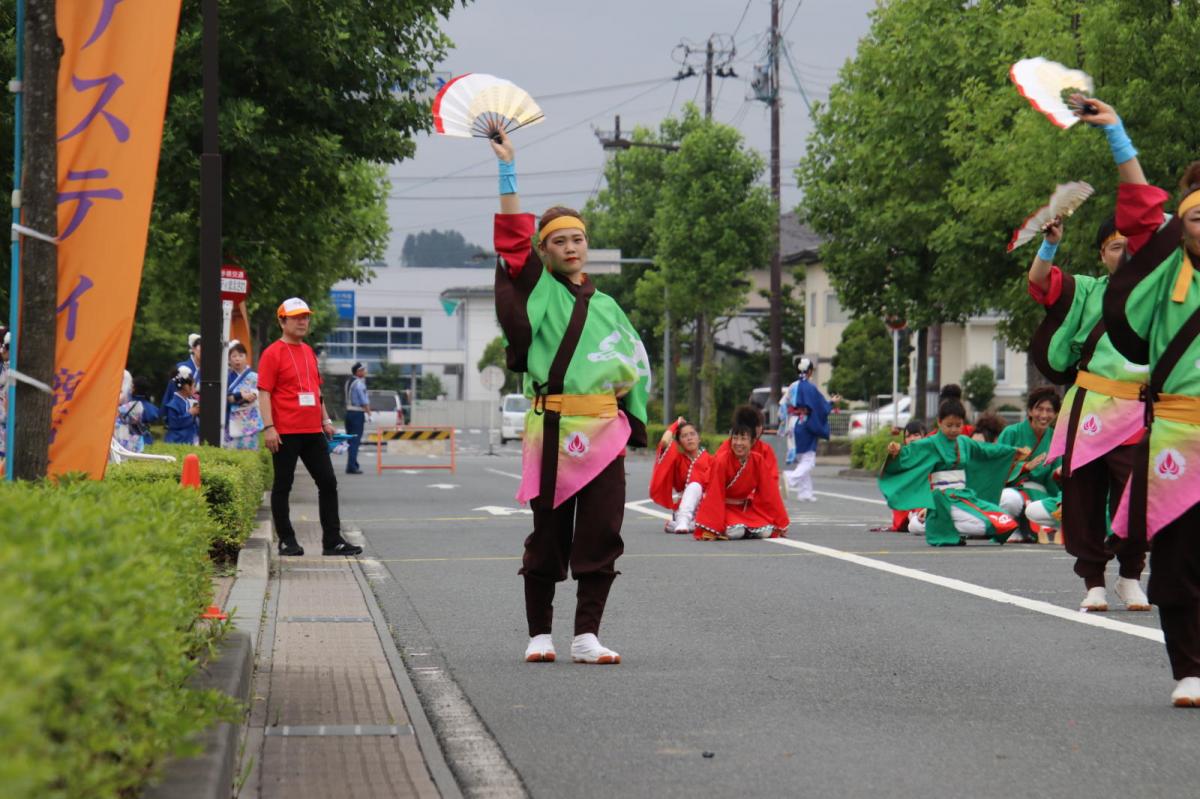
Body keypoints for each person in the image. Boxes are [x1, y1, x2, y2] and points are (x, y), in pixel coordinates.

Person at [490, 129, 651, 665]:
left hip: (604, 434)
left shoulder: (608, 305)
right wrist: (508, 171)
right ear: (543, 251)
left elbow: (635, 366)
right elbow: (512, 238)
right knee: (550, 533)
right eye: (558, 241)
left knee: (603, 531)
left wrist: (634, 417)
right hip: (553, 429)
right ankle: (540, 634)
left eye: (577, 239)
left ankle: (587, 634)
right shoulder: (539, 288)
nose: (570, 247)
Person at [1073, 92, 1200, 706]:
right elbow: (1144, 212)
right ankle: (1189, 670)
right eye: (1197, 217)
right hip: (1175, 434)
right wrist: (1117, 135)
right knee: (1174, 567)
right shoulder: (1163, 272)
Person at [1027, 212, 1151, 609]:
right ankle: (1094, 581)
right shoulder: (1085, 291)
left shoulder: (1166, 295)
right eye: (1117, 246)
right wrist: (1049, 244)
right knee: (1083, 499)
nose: (1126, 252)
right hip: (1090, 409)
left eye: (1134, 245)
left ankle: (1130, 575)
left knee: (1142, 497)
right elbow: (1040, 282)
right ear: (1102, 255)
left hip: (1140, 411)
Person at [258, 297, 363, 558]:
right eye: (296, 317)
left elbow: (316, 390)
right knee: (283, 486)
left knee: (328, 483)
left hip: (312, 430)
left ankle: (332, 541)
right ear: (282, 321)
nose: (302, 321)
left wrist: (325, 420)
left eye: (305, 316)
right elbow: (264, 393)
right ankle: (287, 540)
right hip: (284, 432)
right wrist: (269, 427)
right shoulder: (272, 353)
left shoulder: (308, 351)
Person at [879, 397, 1030, 547]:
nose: (953, 429)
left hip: (964, 496)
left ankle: (938, 525)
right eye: (949, 425)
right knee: (984, 525)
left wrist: (1012, 452)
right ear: (939, 422)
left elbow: (987, 451)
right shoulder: (931, 443)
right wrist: (897, 452)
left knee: (1004, 522)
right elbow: (912, 453)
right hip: (942, 498)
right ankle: (938, 525)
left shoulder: (964, 442)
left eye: (958, 425)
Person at [694, 405, 790, 541]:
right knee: (736, 533)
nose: (738, 443)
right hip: (724, 506)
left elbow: (769, 490)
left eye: (743, 439)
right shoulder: (724, 457)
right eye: (735, 438)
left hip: (747, 507)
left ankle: (746, 527)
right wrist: (711, 526)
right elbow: (714, 490)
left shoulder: (759, 457)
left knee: (766, 532)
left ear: (751, 440)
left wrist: (780, 521)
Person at [997, 387, 1063, 543]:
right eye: (1039, 409)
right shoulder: (1011, 432)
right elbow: (997, 467)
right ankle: (1011, 530)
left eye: (1049, 410)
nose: (1044, 415)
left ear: (1055, 414)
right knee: (1008, 499)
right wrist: (1023, 467)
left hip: (1042, 494)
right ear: (1030, 411)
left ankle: (1034, 530)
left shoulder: (1056, 438)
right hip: (1013, 490)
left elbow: (1058, 478)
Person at [783, 357, 835, 502]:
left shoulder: (793, 386)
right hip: (805, 423)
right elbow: (819, 407)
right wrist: (830, 403)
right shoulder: (809, 387)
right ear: (810, 371)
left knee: (802, 458)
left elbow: (784, 405)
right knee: (808, 460)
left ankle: (805, 492)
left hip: (793, 423)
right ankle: (789, 478)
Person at [650, 417, 712, 534]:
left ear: (699, 438)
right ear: (679, 442)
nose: (689, 438)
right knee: (694, 486)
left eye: (692, 434)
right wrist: (675, 425)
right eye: (684, 436)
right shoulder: (677, 460)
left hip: (705, 507)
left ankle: (680, 523)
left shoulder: (711, 460)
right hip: (682, 505)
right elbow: (664, 443)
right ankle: (683, 521)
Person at [886, 420, 926, 533]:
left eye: (916, 435)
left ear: (925, 437)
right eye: (908, 436)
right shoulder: (902, 458)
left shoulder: (933, 455)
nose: (912, 439)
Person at [224, 340, 263, 451]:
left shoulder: (254, 377)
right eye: (234, 356)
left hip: (250, 419)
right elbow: (226, 397)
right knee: (232, 450)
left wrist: (254, 395)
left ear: (246, 357)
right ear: (229, 359)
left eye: (241, 355)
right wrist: (239, 396)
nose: (237, 359)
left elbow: (260, 393)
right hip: (232, 419)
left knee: (250, 450)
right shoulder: (226, 377)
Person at [114, 371, 160, 453]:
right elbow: (154, 416)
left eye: (131, 386)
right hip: (147, 439)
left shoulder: (129, 405)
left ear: (134, 388)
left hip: (131, 439)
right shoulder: (151, 407)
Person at [162, 332, 201, 414]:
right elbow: (173, 391)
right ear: (193, 349)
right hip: (180, 410)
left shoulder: (208, 371)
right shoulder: (181, 367)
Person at [343, 361, 371, 474]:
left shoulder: (348, 382)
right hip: (357, 413)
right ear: (358, 371)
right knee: (355, 441)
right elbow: (363, 400)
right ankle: (352, 466)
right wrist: (369, 413)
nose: (364, 372)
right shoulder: (359, 383)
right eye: (363, 370)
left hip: (348, 413)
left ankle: (352, 464)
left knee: (350, 440)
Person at [779, 357, 806, 465]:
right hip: (805, 419)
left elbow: (783, 403)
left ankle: (792, 473)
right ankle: (793, 477)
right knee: (805, 455)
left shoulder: (793, 386)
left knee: (793, 445)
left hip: (793, 419)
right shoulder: (809, 386)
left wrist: (783, 420)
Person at [162, 365, 200, 444]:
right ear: (186, 387)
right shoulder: (173, 404)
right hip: (177, 440)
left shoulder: (191, 401)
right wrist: (190, 413)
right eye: (193, 386)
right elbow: (174, 423)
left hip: (189, 440)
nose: (195, 389)